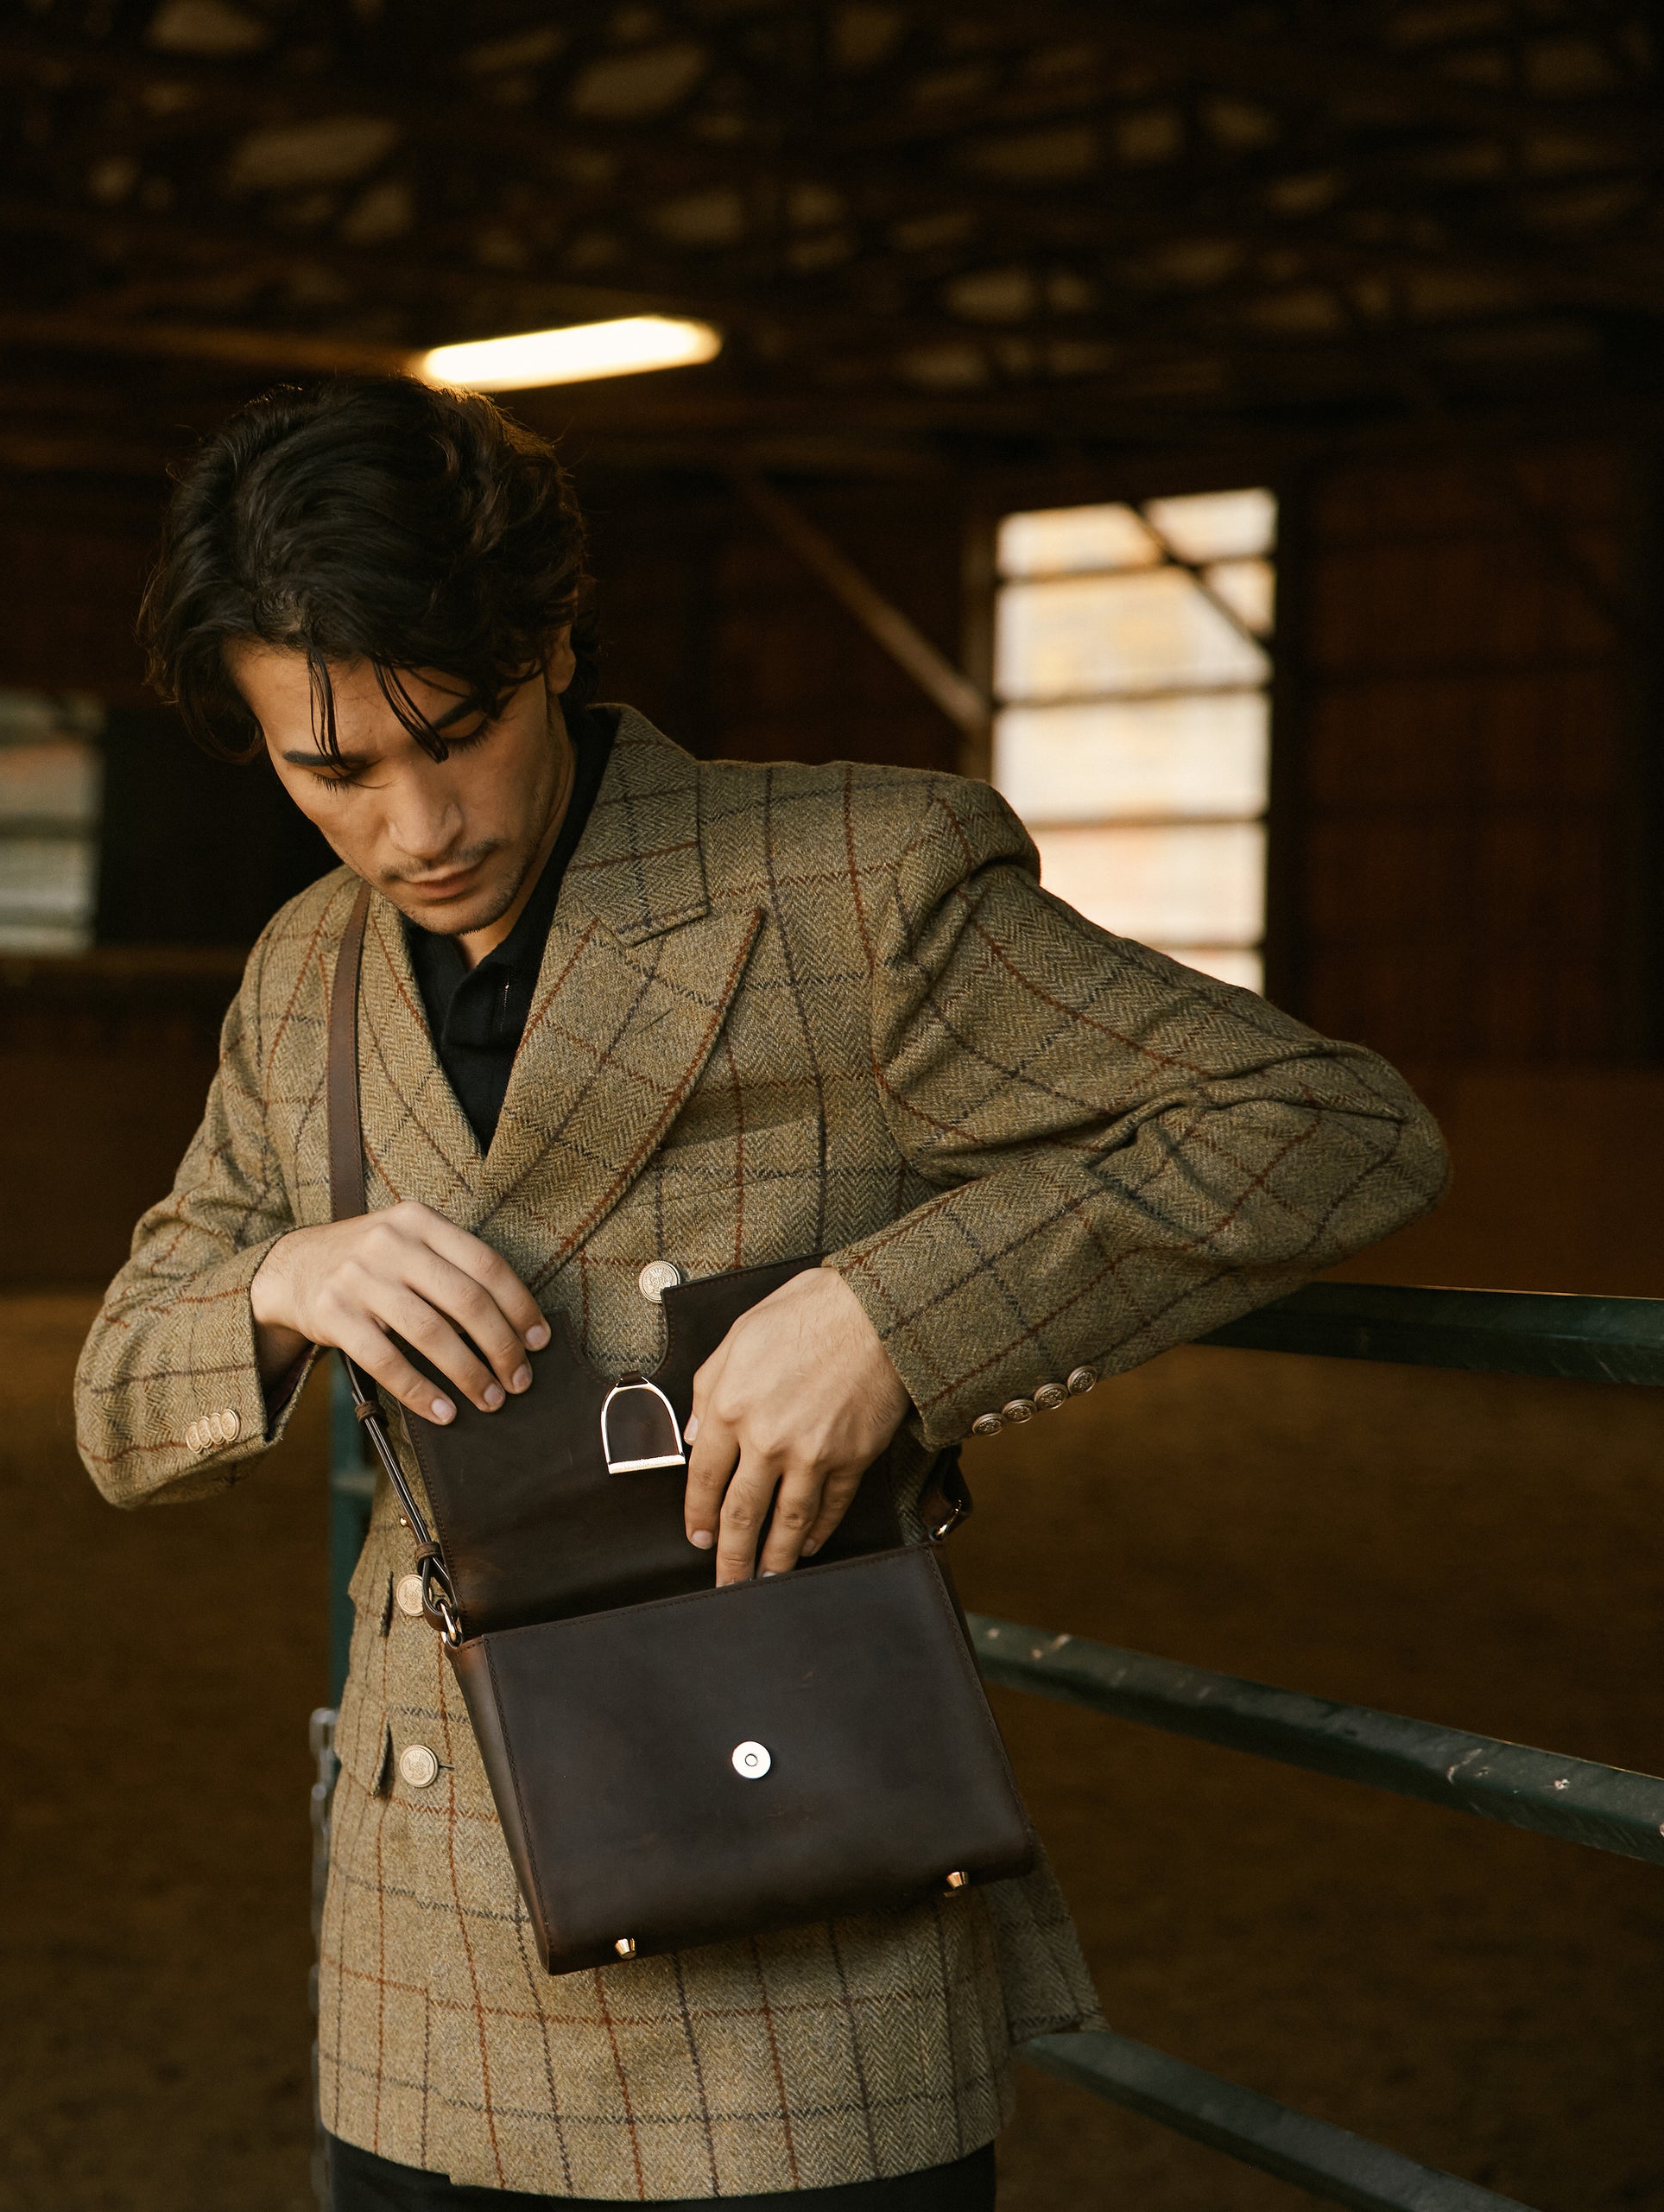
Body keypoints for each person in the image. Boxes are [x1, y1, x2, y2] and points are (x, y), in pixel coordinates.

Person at [72, 377, 1449, 2210]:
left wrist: (899, 1313)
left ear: (553, 643)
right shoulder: (303, 974)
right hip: (424, 1976)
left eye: (458, 730)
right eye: (335, 772)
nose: (416, 826)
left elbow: (1328, 1121)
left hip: (796, 1930)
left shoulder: (853, 885)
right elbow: (115, 1406)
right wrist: (280, 1277)